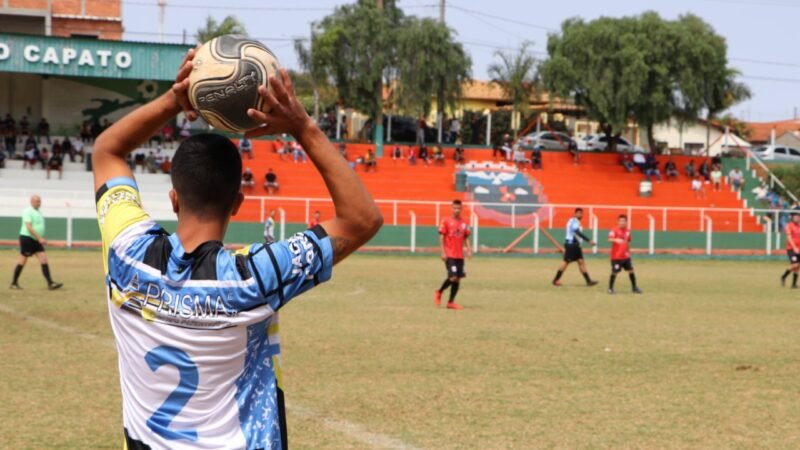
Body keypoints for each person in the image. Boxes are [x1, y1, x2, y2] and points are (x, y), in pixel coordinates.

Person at [91, 58, 381, 450]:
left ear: (173, 199)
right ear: (238, 203)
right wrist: (303, 126)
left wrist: (175, 101)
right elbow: (362, 218)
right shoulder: (255, 277)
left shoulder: (127, 252)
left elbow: (107, 150)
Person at [10, 195, 62, 290]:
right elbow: (28, 227)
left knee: (44, 260)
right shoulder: (27, 211)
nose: (39, 203)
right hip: (27, 238)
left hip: (36, 240)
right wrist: (40, 238)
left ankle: (50, 283)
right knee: (23, 261)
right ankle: (13, 283)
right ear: (31, 201)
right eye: (37, 201)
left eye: (39, 201)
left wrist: (39, 238)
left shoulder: (39, 212)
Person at [434, 199, 472, 310]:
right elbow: (441, 236)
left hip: (460, 255)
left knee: (458, 278)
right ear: (451, 208)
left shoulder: (464, 223)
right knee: (453, 277)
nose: (456, 210)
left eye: (458, 208)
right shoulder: (446, 220)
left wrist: (469, 249)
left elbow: (465, 237)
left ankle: (450, 302)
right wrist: (443, 252)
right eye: (455, 208)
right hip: (450, 254)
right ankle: (439, 291)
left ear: (461, 209)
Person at [553, 208, 598, 287]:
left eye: (581, 213)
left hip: (576, 246)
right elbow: (577, 232)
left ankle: (588, 281)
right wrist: (589, 240)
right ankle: (555, 280)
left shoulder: (576, 222)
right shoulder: (574, 221)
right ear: (575, 214)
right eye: (578, 213)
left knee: (581, 262)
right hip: (572, 245)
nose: (580, 215)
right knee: (566, 262)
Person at [607, 215, 642, 295]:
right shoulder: (614, 230)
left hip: (626, 257)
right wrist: (616, 239)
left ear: (626, 222)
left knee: (631, 271)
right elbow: (609, 239)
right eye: (621, 221)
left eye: (624, 221)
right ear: (618, 222)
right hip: (616, 257)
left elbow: (628, 242)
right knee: (615, 272)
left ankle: (634, 287)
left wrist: (628, 252)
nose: (622, 223)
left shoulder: (628, 231)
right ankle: (610, 288)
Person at [782, 212, 800, 288]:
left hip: (799, 249)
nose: (797, 218)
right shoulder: (789, 226)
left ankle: (794, 284)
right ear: (792, 218)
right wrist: (794, 247)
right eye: (795, 217)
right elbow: (789, 238)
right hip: (791, 249)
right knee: (795, 265)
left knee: (797, 266)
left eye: (798, 217)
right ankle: (784, 276)